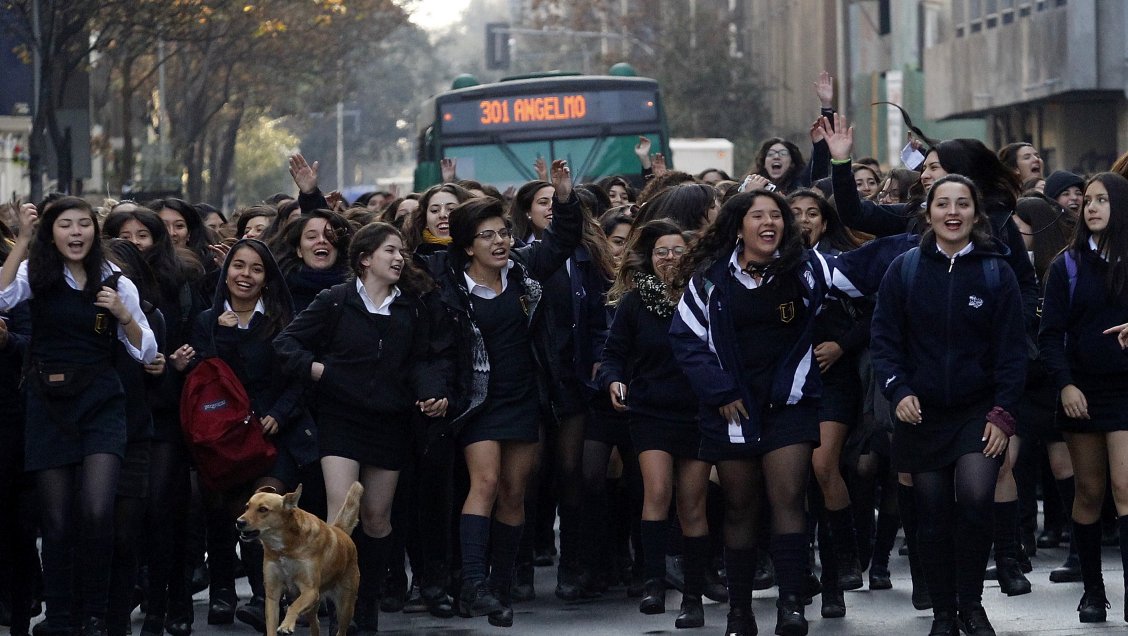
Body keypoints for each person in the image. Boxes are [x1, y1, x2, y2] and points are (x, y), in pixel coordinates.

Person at [668, 188, 897, 636]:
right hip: (730, 409)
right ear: (739, 226)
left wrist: (926, 234)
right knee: (738, 506)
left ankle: (791, 604)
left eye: (777, 216)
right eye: (759, 216)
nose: (770, 223)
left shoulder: (808, 268)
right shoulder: (709, 279)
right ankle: (740, 612)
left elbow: (868, 264)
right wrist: (719, 391)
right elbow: (686, 339)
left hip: (790, 403)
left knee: (789, 497)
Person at [418, 160, 581, 627]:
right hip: (477, 401)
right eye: (488, 236)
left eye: (503, 233)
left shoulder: (526, 270)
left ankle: (501, 587)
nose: (500, 242)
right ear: (467, 245)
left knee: (514, 494)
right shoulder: (446, 286)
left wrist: (564, 197)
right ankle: (473, 582)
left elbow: (564, 240)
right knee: (484, 483)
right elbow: (432, 350)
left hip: (524, 395)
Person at [274, 222, 452, 635]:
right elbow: (286, 344)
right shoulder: (335, 301)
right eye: (390, 250)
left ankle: (365, 597)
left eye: (401, 252)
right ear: (364, 259)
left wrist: (432, 391)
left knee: (376, 520)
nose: (398, 258)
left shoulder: (411, 306)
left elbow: (426, 359)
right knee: (343, 518)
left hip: (389, 423)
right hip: (341, 421)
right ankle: (338, 606)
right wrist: (321, 371)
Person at [870, 175, 1027, 636]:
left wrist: (1003, 413)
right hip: (921, 413)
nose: (952, 212)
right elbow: (884, 340)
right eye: (943, 204)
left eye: (963, 203)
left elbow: (1013, 352)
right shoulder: (905, 269)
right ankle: (942, 612)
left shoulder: (997, 271)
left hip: (978, 411)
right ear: (929, 212)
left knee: (977, 501)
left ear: (977, 214)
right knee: (932, 515)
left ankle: (971, 605)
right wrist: (898, 390)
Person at [0, 197, 159, 636]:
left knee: (96, 510)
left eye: (84, 224)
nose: (75, 233)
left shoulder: (115, 280)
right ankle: (62, 616)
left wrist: (124, 315)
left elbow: (146, 348)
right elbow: (1, 294)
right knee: (55, 521)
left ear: (95, 230)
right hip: (48, 403)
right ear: (52, 232)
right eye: (65, 225)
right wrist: (23, 241)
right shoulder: (38, 274)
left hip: (101, 403)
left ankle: (98, 614)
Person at [168, 239, 316, 631]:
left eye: (255, 268)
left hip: (275, 434)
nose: (245, 275)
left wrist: (279, 415)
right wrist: (222, 337)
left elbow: (299, 379)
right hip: (226, 438)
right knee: (222, 512)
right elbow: (209, 383)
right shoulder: (206, 321)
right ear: (226, 271)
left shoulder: (285, 318)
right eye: (238, 266)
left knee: (264, 509)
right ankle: (223, 593)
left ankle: (265, 597)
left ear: (267, 278)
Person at [599, 219, 711, 628]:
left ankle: (694, 596)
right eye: (661, 251)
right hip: (650, 412)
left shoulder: (706, 298)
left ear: (690, 256)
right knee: (657, 491)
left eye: (677, 251)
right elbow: (613, 352)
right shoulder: (634, 303)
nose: (669, 258)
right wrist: (613, 380)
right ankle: (653, 583)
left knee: (692, 505)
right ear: (650, 259)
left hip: (699, 412)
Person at [508, 178, 615, 601]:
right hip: (531, 381)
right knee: (528, 476)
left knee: (571, 472)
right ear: (527, 210)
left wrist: (602, 356)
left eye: (558, 202)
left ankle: (574, 566)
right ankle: (518, 569)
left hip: (574, 379)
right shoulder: (517, 257)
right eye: (542, 202)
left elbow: (605, 314)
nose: (550, 208)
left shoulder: (590, 257)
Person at [1038, 172, 1128, 624]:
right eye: (1087, 200)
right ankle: (1093, 591)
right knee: (1089, 492)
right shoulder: (1066, 265)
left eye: (1102, 200)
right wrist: (1065, 384)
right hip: (1081, 391)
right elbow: (1049, 335)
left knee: (1126, 487)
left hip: (1126, 389)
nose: (1091, 207)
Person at [788, 189, 870, 618]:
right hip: (786, 387)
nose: (804, 220)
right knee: (795, 482)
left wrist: (842, 345)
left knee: (823, 466)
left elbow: (878, 311)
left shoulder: (842, 264)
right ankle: (802, 576)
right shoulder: (769, 264)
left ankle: (844, 563)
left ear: (825, 221)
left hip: (833, 380)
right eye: (795, 213)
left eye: (812, 213)